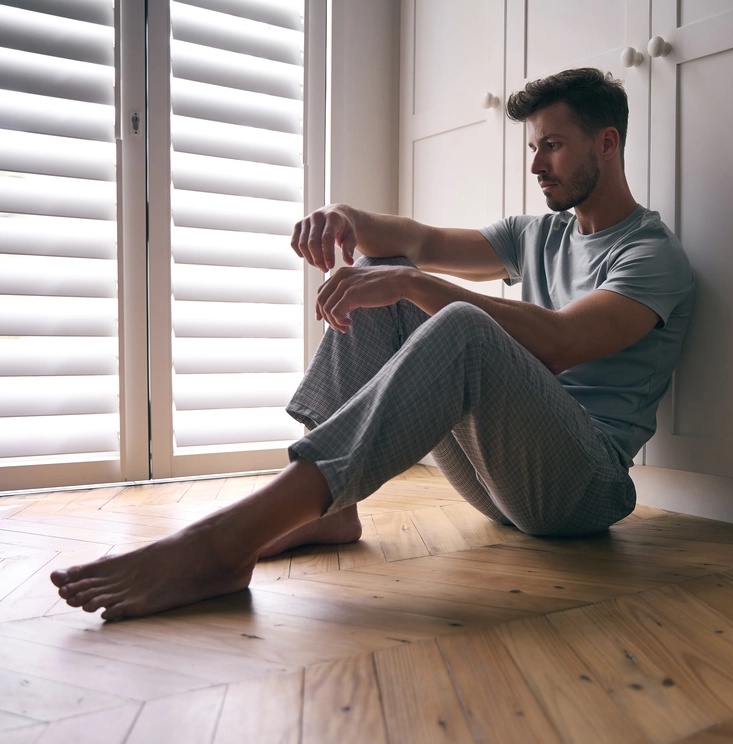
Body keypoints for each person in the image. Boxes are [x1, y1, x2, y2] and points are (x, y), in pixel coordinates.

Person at [50, 67, 694, 620]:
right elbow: (418, 242)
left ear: (606, 144)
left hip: (583, 488)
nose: (535, 165)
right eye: (534, 146)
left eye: (552, 145)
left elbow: (560, 342)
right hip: (502, 481)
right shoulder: (538, 234)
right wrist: (349, 220)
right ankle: (329, 508)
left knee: (449, 316)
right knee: (387, 280)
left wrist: (410, 281)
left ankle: (225, 542)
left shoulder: (650, 253)